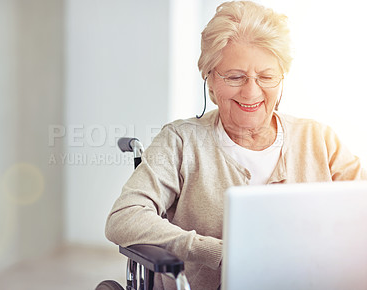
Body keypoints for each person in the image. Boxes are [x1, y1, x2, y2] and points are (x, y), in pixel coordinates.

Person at [105, 1, 367, 289]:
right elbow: (125, 217)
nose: (252, 91)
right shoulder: (180, 141)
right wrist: (213, 251)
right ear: (210, 82)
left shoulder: (320, 140)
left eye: (266, 77)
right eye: (235, 77)